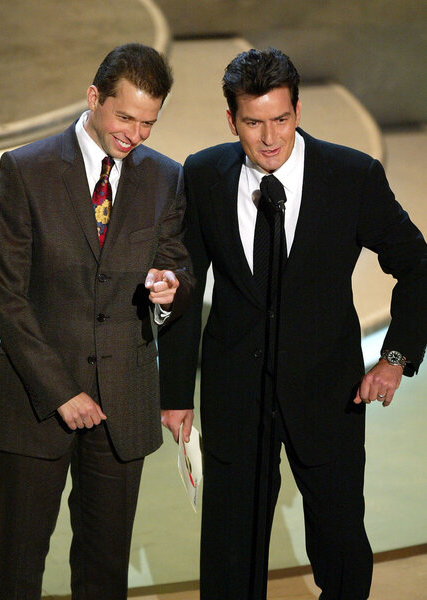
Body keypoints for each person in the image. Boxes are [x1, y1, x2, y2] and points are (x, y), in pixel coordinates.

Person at [158, 48, 427, 599]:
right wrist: (176, 392)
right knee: (231, 556)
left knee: (341, 546)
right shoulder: (204, 174)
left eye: (281, 119)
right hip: (236, 394)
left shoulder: (351, 175)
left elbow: (419, 266)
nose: (270, 137)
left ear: (298, 110)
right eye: (253, 123)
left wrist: (396, 357)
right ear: (231, 119)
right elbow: (184, 288)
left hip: (330, 393)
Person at [0, 42, 194, 599]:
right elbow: (6, 295)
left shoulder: (166, 178)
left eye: (148, 122)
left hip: (122, 406)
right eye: (124, 116)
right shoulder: (25, 169)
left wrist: (169, 289)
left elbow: (176, 265)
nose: (135, 134)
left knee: (105, 574)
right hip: (35, 405)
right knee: (17, 568)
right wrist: (61, 393)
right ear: (93, 98)